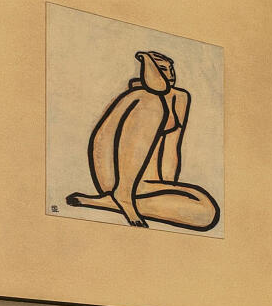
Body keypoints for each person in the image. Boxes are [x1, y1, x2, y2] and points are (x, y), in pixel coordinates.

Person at [64, 49, 219, 231]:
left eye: (171, 69)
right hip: (115, 175)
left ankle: (107, 203)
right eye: (161, 68)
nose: (169, 74)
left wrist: (167, 185)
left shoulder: (180, 98)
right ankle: (122, 194)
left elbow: (172, 145)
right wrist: (145, 58)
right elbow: (156, 88)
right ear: (149, 68)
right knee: (151, 101)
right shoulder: (139, 95)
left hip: (147, 186)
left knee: (207, 213)